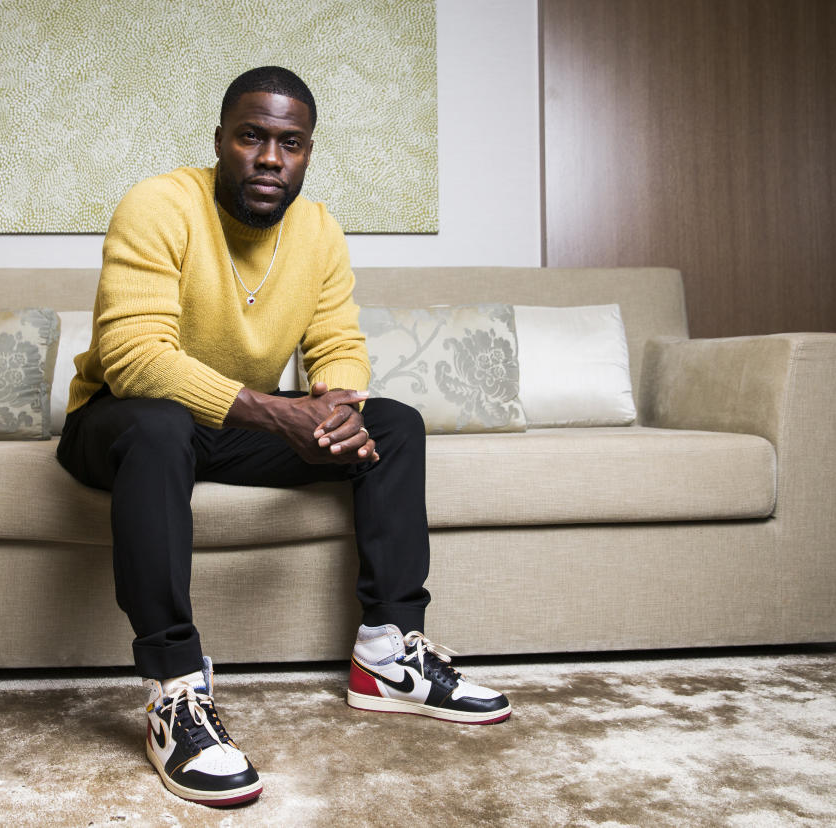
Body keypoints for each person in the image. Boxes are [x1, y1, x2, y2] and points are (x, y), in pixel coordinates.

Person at [56, 66, 510, 807]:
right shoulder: (159, 205)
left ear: (306, 153)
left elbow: (336, 339)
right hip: (120, 420)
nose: (271, 158)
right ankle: (175, 692)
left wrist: (334, 406)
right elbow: (136, 359)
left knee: (391, 423)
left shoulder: (319, 229)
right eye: (252, 137)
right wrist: (279, 415)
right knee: (163, 423)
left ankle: (388, 655)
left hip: (224, 425)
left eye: (290, 143)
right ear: (220, 142)